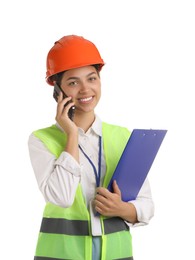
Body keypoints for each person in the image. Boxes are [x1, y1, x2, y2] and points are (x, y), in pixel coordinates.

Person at [28, 34, 154, 260]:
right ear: (58, 91)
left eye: (92, 78)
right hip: (61, 255)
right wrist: (71, 135)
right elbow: (62, 197)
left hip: (116, 255)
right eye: (73, 82)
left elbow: (146, 205)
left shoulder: (122, 136)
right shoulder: (41, 140)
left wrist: (122, 210)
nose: (85, 90)